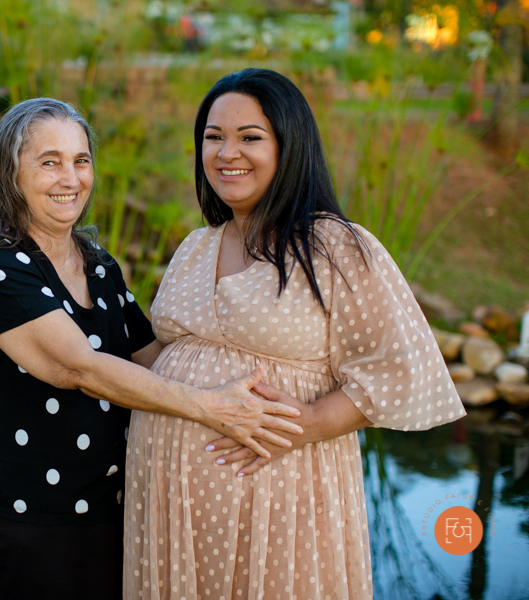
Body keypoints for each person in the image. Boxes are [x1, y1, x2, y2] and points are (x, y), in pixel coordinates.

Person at [123, 69, 466, 599]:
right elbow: (167, 359)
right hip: (168, 500)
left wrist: (308, 422)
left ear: (290, 147)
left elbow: (400, 369)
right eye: (213, 137)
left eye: (250, 137)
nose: (226, 152)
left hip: (282, 494)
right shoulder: (195, 245)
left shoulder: (333, 246)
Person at [0, 97, 304, 600]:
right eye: (50, 162)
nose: (70, 178)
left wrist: (250, 377)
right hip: (25, 518)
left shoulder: (97, 265)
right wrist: (212, 407)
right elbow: (80, 368)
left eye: (80, 160)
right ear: (9, 173)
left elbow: (152, 356)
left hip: (112, 507)